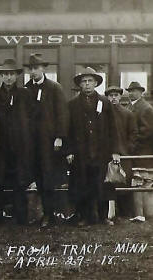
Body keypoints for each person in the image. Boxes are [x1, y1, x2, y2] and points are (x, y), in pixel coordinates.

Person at [66, 67, 120, 226]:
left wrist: (115, 151)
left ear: (96, 83)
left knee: (101, 183)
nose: (87, 84)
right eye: (84, 81)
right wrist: (68, 150)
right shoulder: (72, 104)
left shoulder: (104, 102)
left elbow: (113, 128)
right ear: (80, 85)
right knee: (82, 183)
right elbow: (67, 129)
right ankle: (83, 216)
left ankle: (103, 216)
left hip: (101, 151)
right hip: (80, 152)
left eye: (90, 81)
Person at [23, 53, 69, 227]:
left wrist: (59, 136)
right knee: (37, 177)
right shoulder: (26, 89)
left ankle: (50, 214)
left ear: (43, 69)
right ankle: (38, 213)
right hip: (32, 143)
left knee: (49, 177)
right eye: (31, 69)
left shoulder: (54, 88)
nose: (33, 72)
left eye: (36, 68)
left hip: (49, 142)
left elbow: (62, 114)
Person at [0, 59, 33, 225]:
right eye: (5, 74)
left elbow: (31, 119)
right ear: (1, 76)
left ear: (16, 76)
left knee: (19, 182)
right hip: (0, 146)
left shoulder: (25, 94)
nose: (8, 77)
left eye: (11, 74)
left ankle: (21, 217)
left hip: (20, 146)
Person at [105, 86, 137, 217]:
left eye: (116, 95)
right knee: (108, 182)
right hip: (107, 154)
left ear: (120, 97)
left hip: (124, 155)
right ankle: (110, 212)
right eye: (111, 95)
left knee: (125, 181)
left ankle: (125, 212)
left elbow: (134, 133)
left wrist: (127, 148)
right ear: (107, 97)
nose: (113, 98)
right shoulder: (103, 113)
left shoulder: (127, 114)